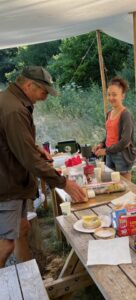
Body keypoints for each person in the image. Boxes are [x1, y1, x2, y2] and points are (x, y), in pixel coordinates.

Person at [0, 66, 85, 268]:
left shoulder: (10, 101)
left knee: (22, 227)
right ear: (29, 85)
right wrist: (63, 183)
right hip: (6, 182)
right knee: (5, 244)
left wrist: (36, 148)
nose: (45, 96)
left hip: (9, 178)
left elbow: (12, 140)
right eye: (43, 91)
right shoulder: (14, 110)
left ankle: (28, 271)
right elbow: (28, 158)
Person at [93, 77, 136, 181]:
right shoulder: (109, 113)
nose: (111, 97)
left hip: (122, 155)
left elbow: (125, 141)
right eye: (109, 94)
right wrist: (101, 144)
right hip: (109, 154)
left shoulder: (125, 114)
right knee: (110, 183)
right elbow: (109, 134)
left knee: (126, 186)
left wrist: (106, 150)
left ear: (122, 96)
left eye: (114, 94)